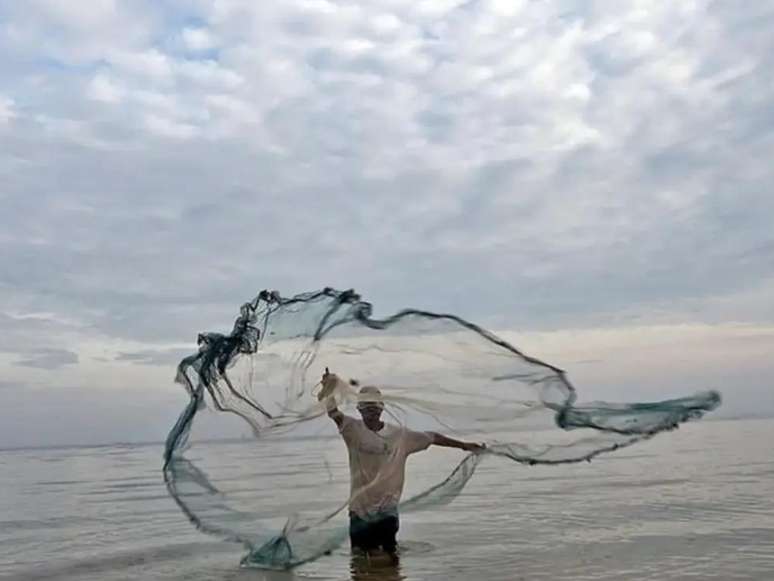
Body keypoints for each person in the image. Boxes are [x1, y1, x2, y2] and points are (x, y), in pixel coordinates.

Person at [318, 369, 485, 559]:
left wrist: (464, 446)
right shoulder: (352, 429)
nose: (370, 413)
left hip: (388, 509)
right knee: (359, 559)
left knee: (390, 557)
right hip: (359, 510)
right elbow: (333, 412)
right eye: (365, 409)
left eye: (374, 408)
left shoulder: (400, 436)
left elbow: (432, 437)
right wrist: (328, 388)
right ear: (359, 410)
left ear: (381, 408)